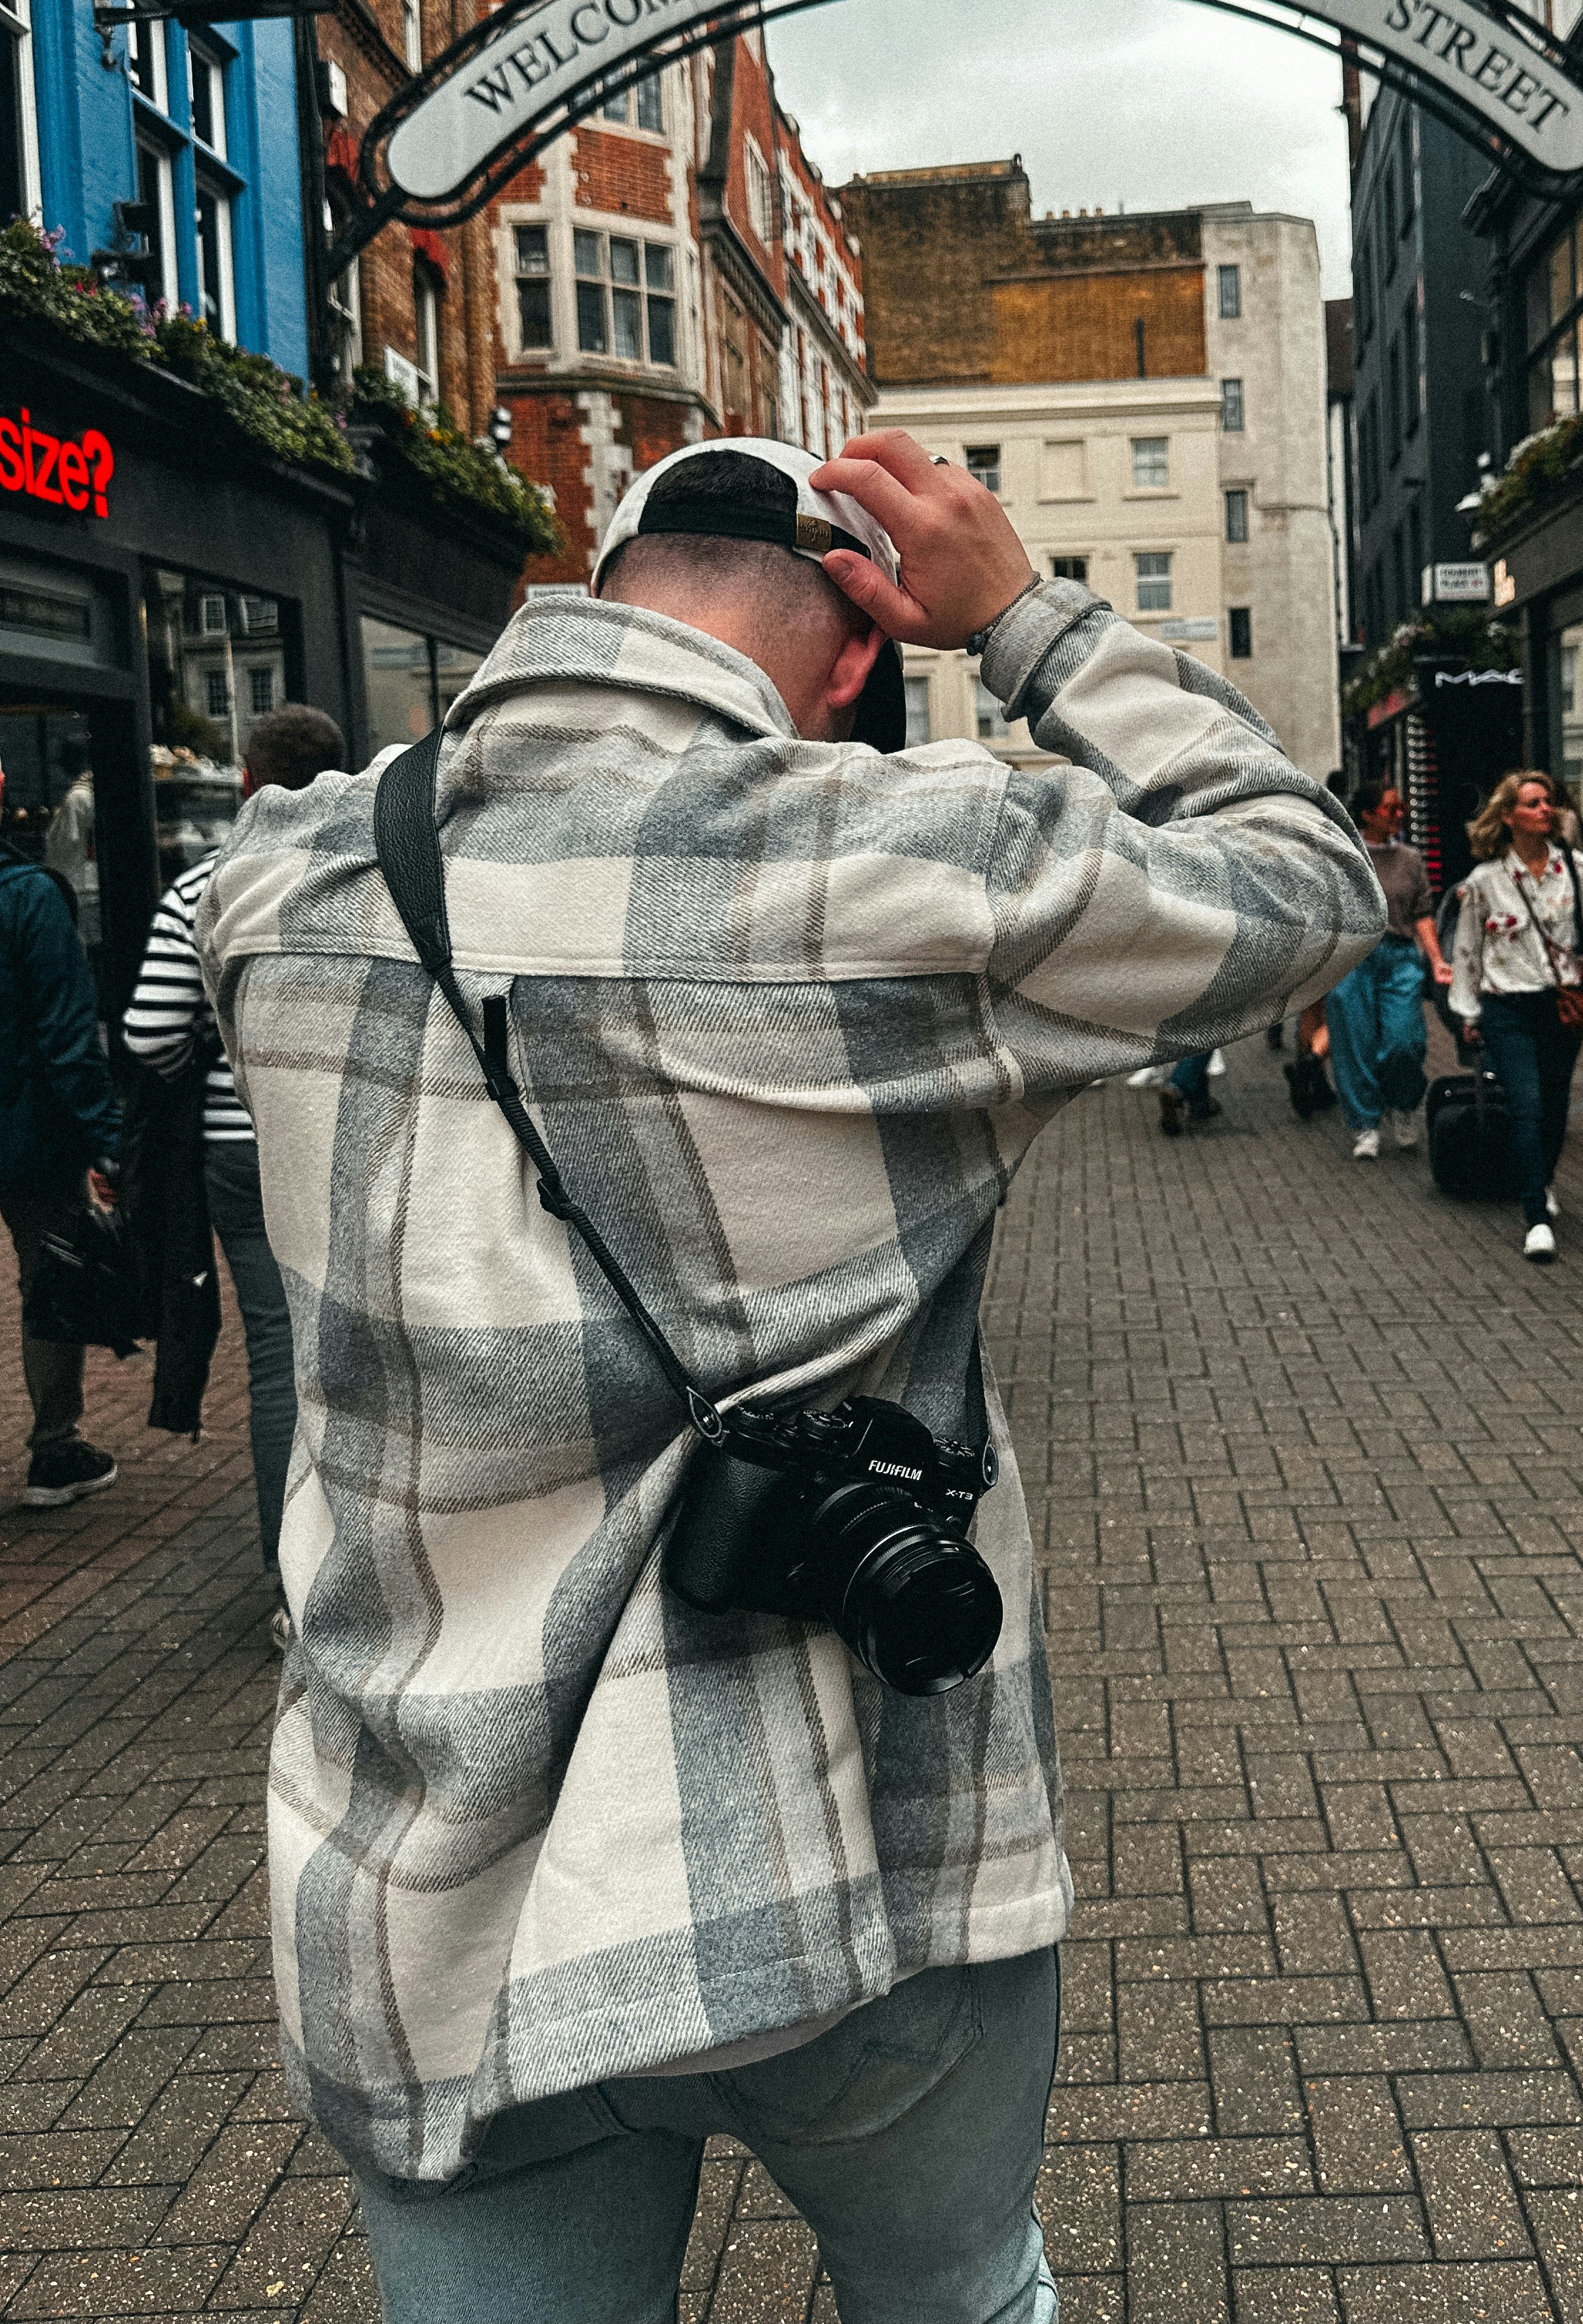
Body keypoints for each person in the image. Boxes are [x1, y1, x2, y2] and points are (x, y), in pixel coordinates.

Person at [197, 433, 1383, 2324]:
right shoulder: (897, 862)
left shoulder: (283, 877)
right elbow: (1309, 882)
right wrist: (1032, 627)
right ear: (854, 654)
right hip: (847, 1838)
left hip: (431, 1854)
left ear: (596, 584)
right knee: (960, 2295)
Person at [124, 704, 346, 1603]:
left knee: (276, 1354)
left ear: (248, 782)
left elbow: (147, 1038)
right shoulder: (376, 869)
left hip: (240, 1147)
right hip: (351, 1131)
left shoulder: (204, 889)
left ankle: (293, 1586)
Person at [0, 769, 124, 1506]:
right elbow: (68, 1036)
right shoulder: (29, 898)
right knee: (48, 1279)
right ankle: (54, 1451)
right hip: (28, 1131)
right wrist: (107, 1141)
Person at [1450, 768, 1583, 1260]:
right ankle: (1536, 1219)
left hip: (1561, 1006)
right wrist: (1468, 1011)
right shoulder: (1485, 882)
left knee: (1554, 1105)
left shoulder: (1576, 867)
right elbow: (1468, 950)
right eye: (1533, 803)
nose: (1546, 809)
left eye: (1549, 802)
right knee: (1525, 1105)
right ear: (1509, 817)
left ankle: (1541, 1179)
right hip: (1507, 1007)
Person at [1325, 782, 1442, 1161]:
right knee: (1354, 1044)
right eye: (1391, 809)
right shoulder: (1344, 856)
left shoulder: (1410, 858)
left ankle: (1404, 1106)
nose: (1400, 814)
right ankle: (1366, 1125)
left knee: (1404, 1041)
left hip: (1400, 957)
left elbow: (1422, 912)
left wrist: (1437, 959)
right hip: (1351, 959)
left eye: (1402, 808)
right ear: (1367, 815)